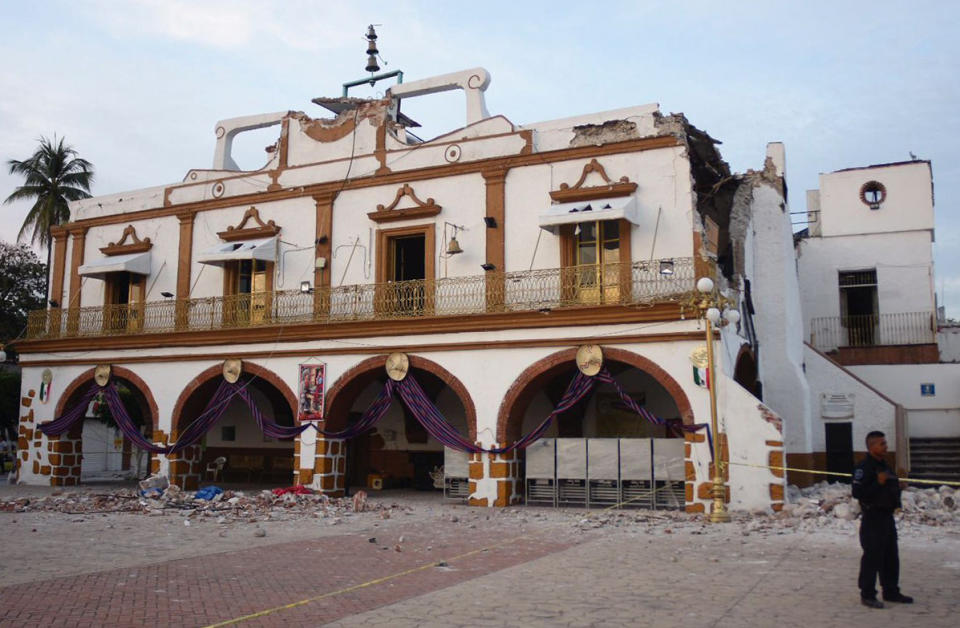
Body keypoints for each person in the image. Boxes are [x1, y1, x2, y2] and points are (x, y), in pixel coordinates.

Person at [852, 430, 914, 609]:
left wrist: (899, 486)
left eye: (885, 443)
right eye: (882, 444)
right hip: (872, 518)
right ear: (872, 447)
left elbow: (890, 487)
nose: (886, 447)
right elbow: (858, 493)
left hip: (887, 517)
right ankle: (868, 594)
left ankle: (891, 590)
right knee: (872, 556)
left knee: (890, 556)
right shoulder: (863, 468)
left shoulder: (885, 465)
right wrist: (877, 483)